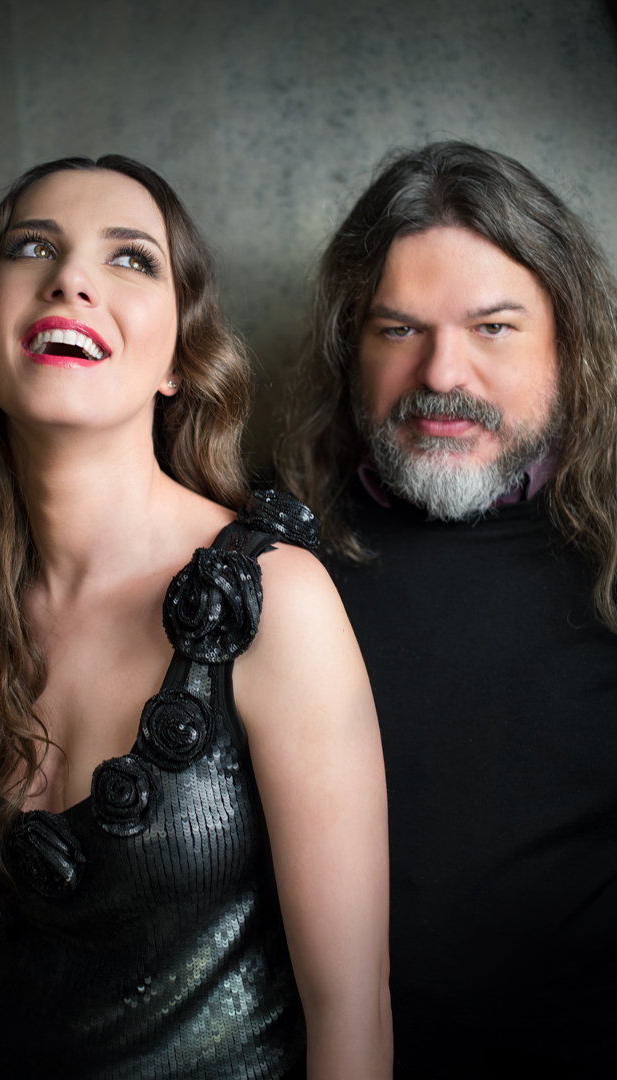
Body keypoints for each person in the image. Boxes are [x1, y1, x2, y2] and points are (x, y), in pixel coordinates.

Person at [0, 155, 392, 1079]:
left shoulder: (274, 601)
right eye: (32, 248)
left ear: (178, 360)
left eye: (130, 258)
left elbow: (352, 1012)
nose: (71, 279)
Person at [278, 141, 617, 1079]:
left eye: (493, 328)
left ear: (570, 342)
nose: (441, 375)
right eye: (398, 330)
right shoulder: (265, 556)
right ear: (350, 347)